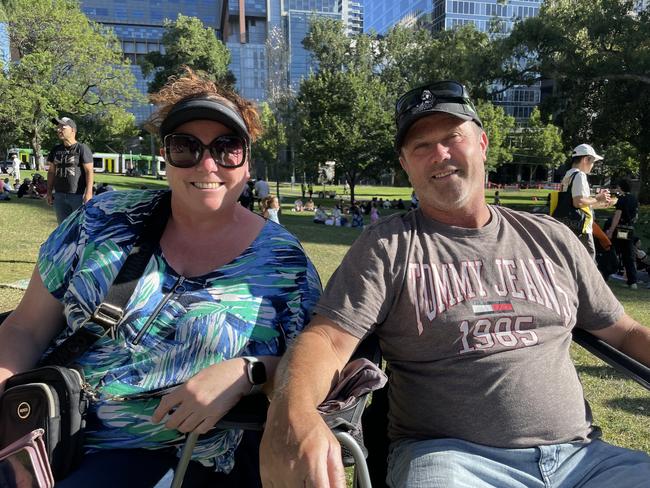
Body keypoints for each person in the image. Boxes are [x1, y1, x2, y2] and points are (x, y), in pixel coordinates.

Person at [259, 81, 650, 488]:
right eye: (421, 146)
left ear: (482, 143)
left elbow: (625, 331)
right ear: (406, 165)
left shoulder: (551, 238)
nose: (439, 155)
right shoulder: (388, 246)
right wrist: (295, 415)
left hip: (584, 459)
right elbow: (326, 341)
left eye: (452, 137)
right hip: (452, 460)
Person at [0, 67, 321, 487]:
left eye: (227, 148)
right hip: (43, 433)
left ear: (247, 162)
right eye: (186, 147)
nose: (208, 164)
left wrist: (250, 370)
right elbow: (25, 328)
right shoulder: (101, 220)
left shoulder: (283, 263)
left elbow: (317, 370)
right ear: (165, 156)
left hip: (176, 457)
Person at [560, 144, 613, 259]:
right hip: (580, 228)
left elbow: (573, 201)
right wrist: (598, 198)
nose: (593, 165)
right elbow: (578, 202)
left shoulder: (568, 174)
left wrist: (599, 201)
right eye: (593, 161)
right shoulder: (580, 175)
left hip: (566, 224)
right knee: (588, 265)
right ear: (585, 159)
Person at [45, 116, 94, 224]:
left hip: (77, 196)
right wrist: (49, 192)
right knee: (63, 229)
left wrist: (88, 193)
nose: (58, 130)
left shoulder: (82, 148)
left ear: (73, 130)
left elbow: (89, 171)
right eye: (58, 127)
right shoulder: (55, 149)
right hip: (59, 196)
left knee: (79, 227)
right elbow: (51, 172)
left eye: (62, 127)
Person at [605, 178, 639, 289]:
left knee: (611, 251)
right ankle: (632, 281)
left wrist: (610, 231)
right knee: (628, 255)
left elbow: (617, 215)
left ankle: (606, 274)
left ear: (621, 187)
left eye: (618, 186)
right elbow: (636, 216)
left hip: (620, 229)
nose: (617, 188)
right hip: (629, 229)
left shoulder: (621, 199)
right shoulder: (634, 199)